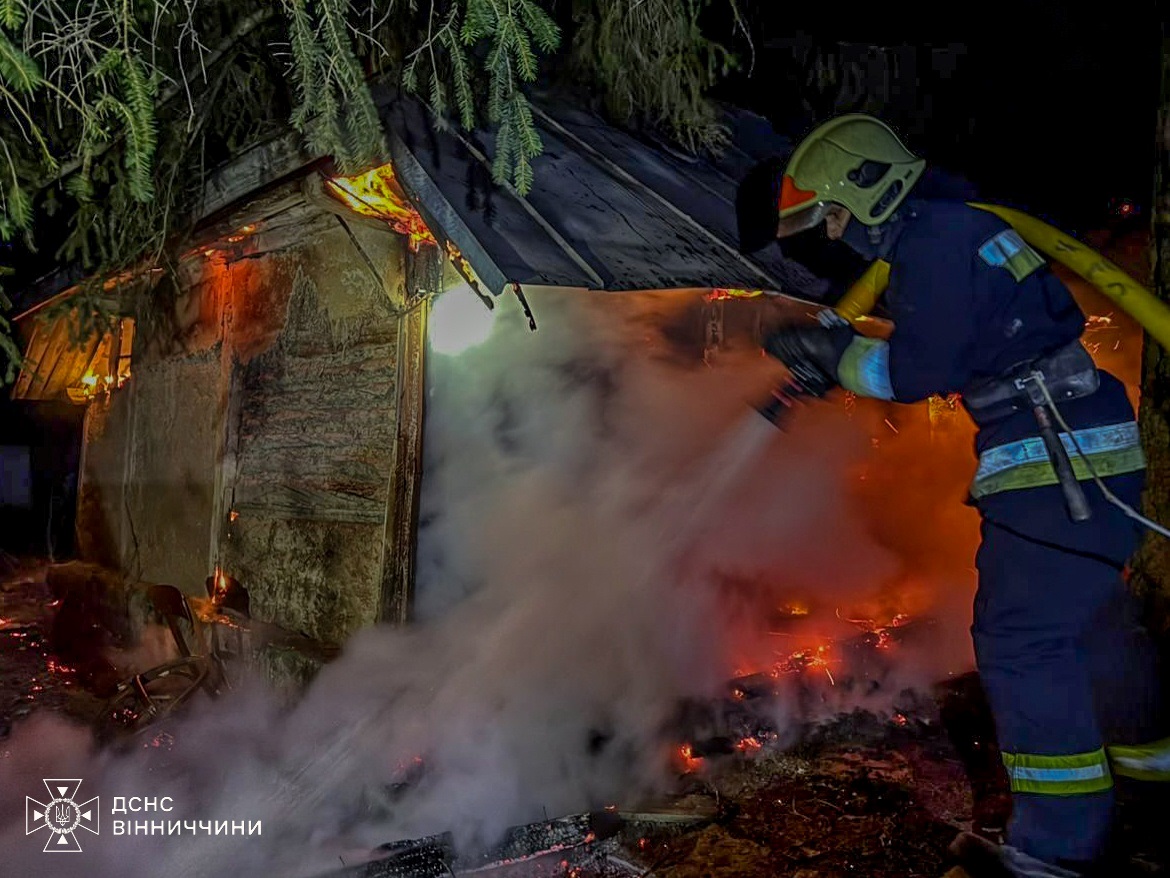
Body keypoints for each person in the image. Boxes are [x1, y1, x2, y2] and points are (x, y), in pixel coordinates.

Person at [735, 113, 1167, 877]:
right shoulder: (954, 231)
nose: (831, 234)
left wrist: (837, 354)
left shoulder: (933, 240)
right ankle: (1150, 773)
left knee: (1021, 640)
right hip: (1078, 444)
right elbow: (960, 348)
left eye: (830, 215)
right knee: (1093, 619)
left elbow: (917, 370)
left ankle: (1054, 851)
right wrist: (835, 358)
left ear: (866, 191)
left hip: (1051, 456)